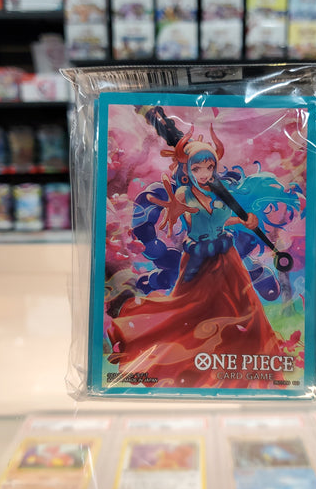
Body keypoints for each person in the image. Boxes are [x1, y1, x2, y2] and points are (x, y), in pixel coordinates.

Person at [107, 124, 295, 389]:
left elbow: (220, 220)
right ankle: (170, 352)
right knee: (190, 309)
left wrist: (245, 221)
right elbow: (191, 218)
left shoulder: (218, 192)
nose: (204, 173)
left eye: (209, 167)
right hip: (198, 259)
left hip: (226, 256)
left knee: (246, 308)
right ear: (187, 170)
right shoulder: (182, 194)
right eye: (197, 169)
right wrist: (175, 211)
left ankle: (244, 362)